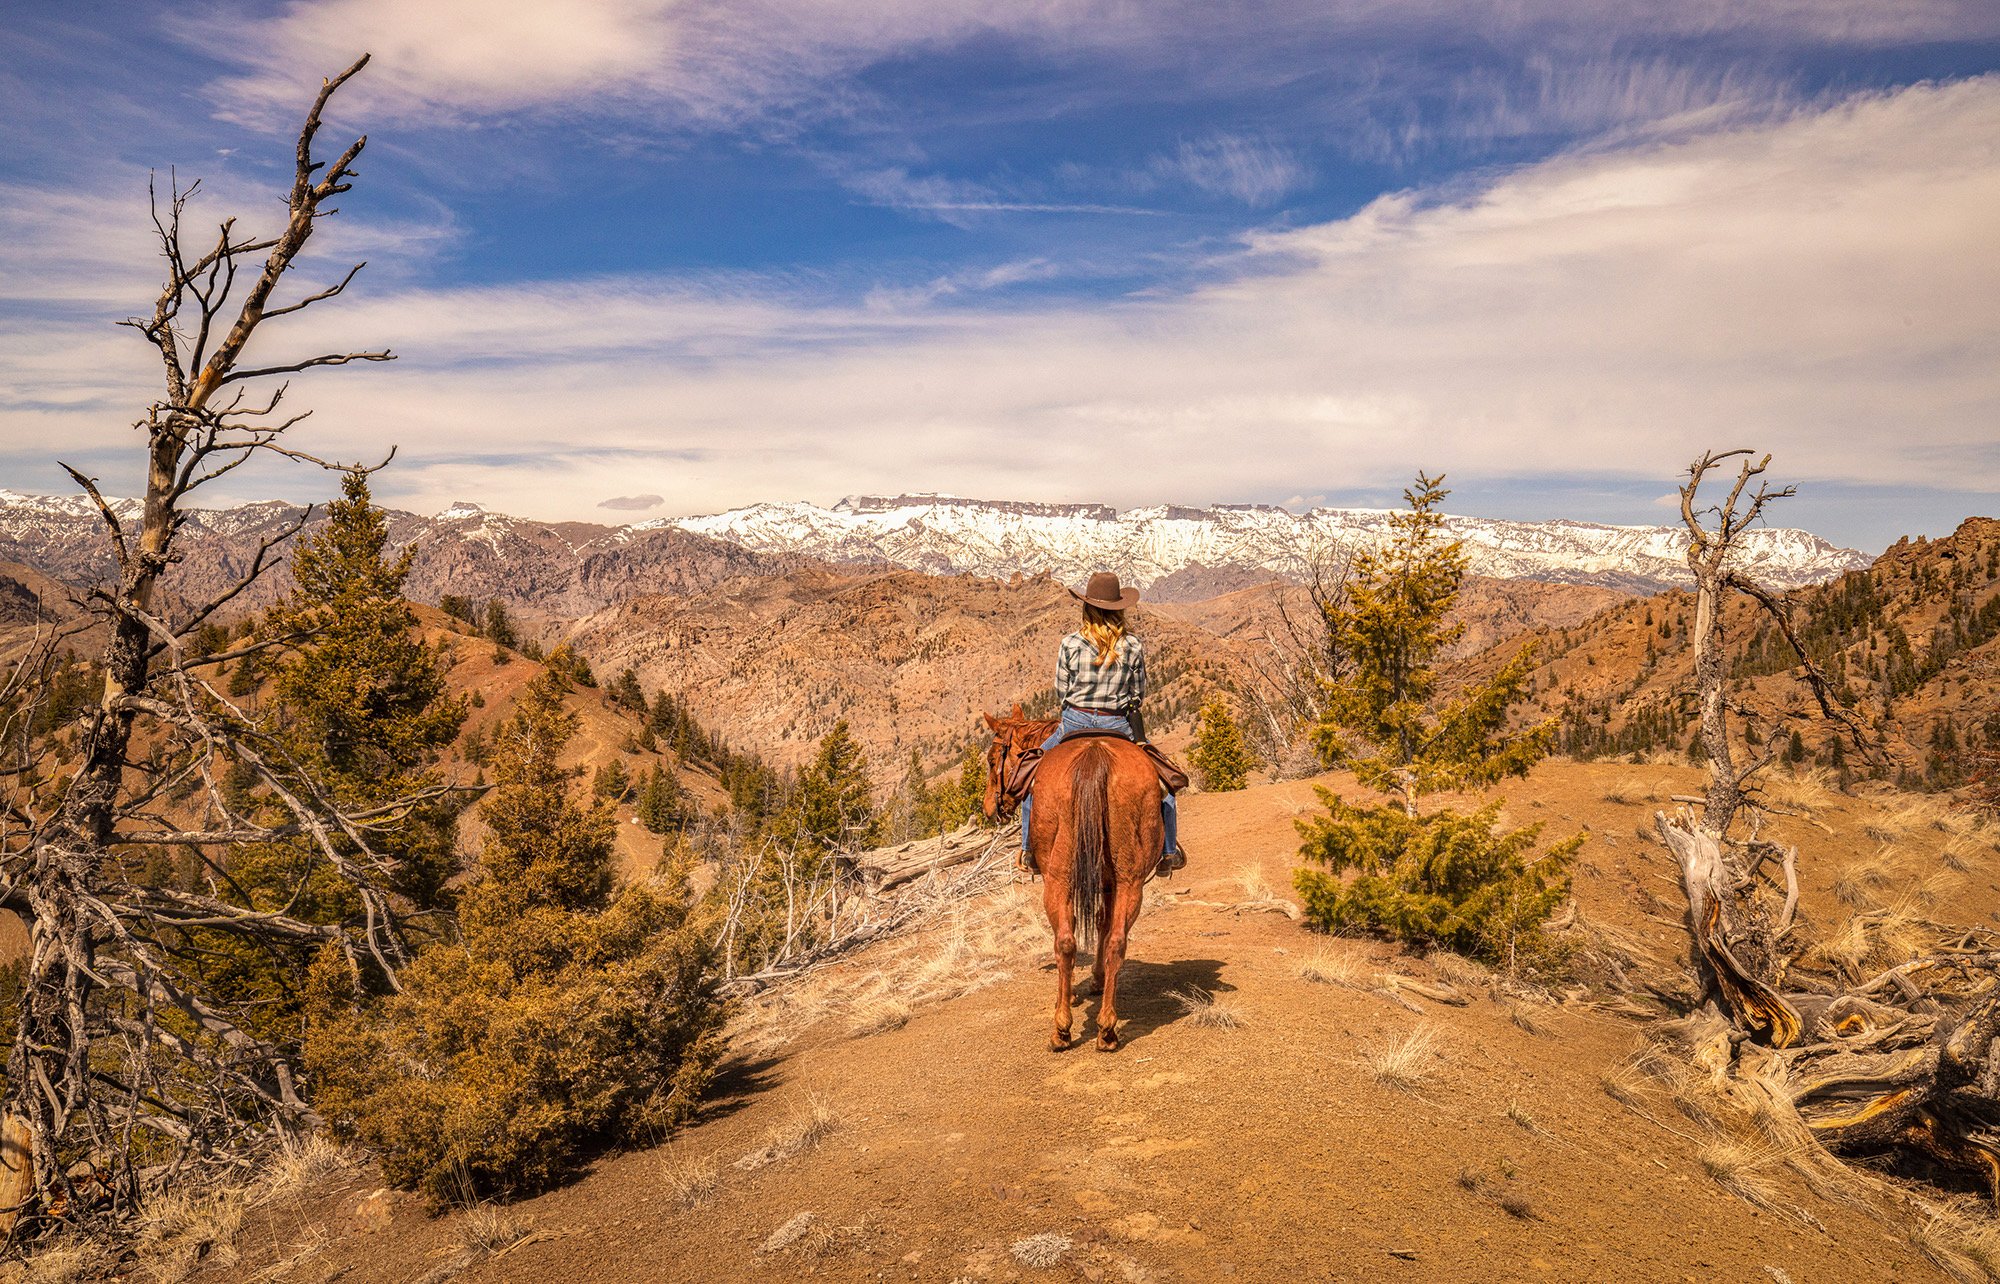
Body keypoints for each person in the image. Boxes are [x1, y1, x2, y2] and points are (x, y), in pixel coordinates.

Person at [1019, 570, 1186, 876]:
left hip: (1073, 723)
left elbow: (1061, 690)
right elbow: (1139, 693)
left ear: (1087, 607)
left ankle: (1029, 850)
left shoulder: (1069, 643)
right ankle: (1168, 852)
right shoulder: (1133, 645)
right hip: (1118, 726)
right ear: (1119, 609)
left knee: (1030, 777)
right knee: (1165, 785)